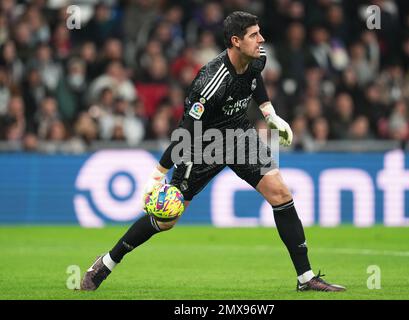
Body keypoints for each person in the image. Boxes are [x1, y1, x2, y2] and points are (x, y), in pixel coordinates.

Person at [80, 11, 345, 292]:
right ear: (235, 41)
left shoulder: (258, 57)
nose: (261, 39)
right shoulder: (210, 82)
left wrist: (269, 113)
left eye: (259, 32)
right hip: (202, 145)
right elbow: (186, 131)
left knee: (281, 193)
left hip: (239, 135)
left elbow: (256, 81)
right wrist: (158, 173)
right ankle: (107, 262)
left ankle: (306, 279)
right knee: (166, 218)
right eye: (254, 35)